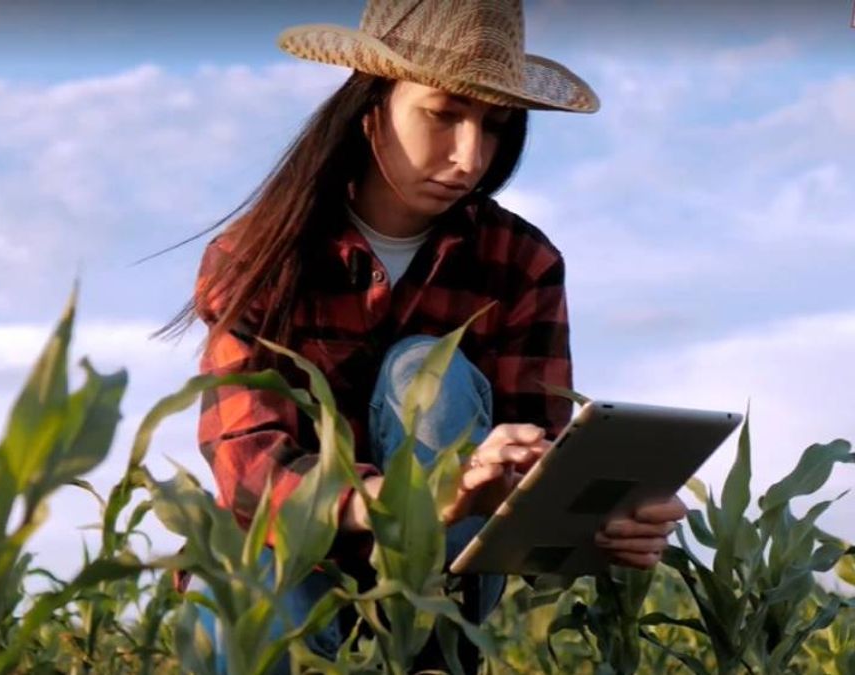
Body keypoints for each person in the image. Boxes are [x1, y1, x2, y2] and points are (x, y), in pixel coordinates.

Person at [155, 0, 688, 671]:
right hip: (289, 564)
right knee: (229, 583)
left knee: (423, 373)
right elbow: (250, 464)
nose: (470, 157)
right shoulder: (260, 254)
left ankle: (427, 645)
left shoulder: (522, 262)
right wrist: (418, 496)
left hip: (445, 578)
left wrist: (596, 521)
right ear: (371, 106)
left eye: (493, 126)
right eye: (442, 114)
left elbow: (535, 457)